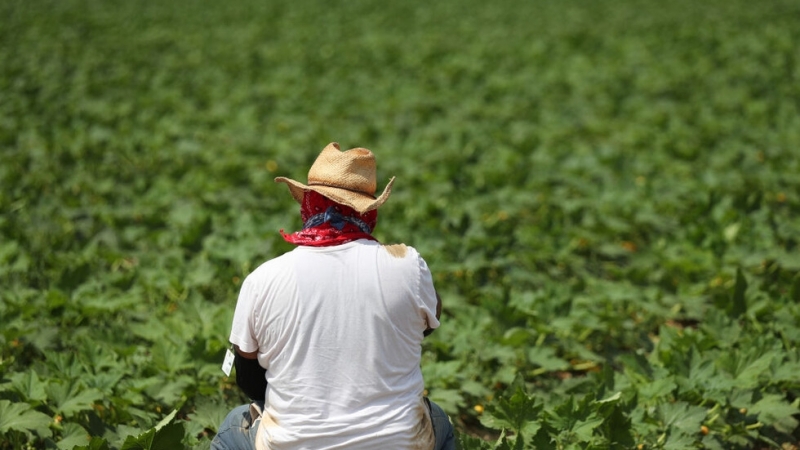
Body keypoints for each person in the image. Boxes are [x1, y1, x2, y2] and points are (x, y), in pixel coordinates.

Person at [211, 142, 455, 450]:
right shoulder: (407, 265)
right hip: (400, 443)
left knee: (235, 423)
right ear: (369, 210)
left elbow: (249, 381)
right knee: (440, 420)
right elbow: (429, 323)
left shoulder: (263, 278)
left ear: (309, 205)